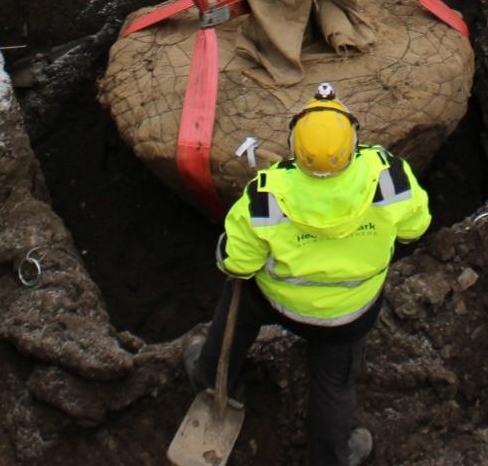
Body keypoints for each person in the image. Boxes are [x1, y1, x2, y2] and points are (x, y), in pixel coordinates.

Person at [185, 85, 431, 466]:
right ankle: (331, 457)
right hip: (349, 313)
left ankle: (211, 375)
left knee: (237, 304)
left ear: (293, 147)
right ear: (353, 145)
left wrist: (223, 254)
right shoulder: (389, 178)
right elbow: (415, 229)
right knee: (333, 386)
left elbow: (239, 264)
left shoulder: (267, 194)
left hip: (277, 302)